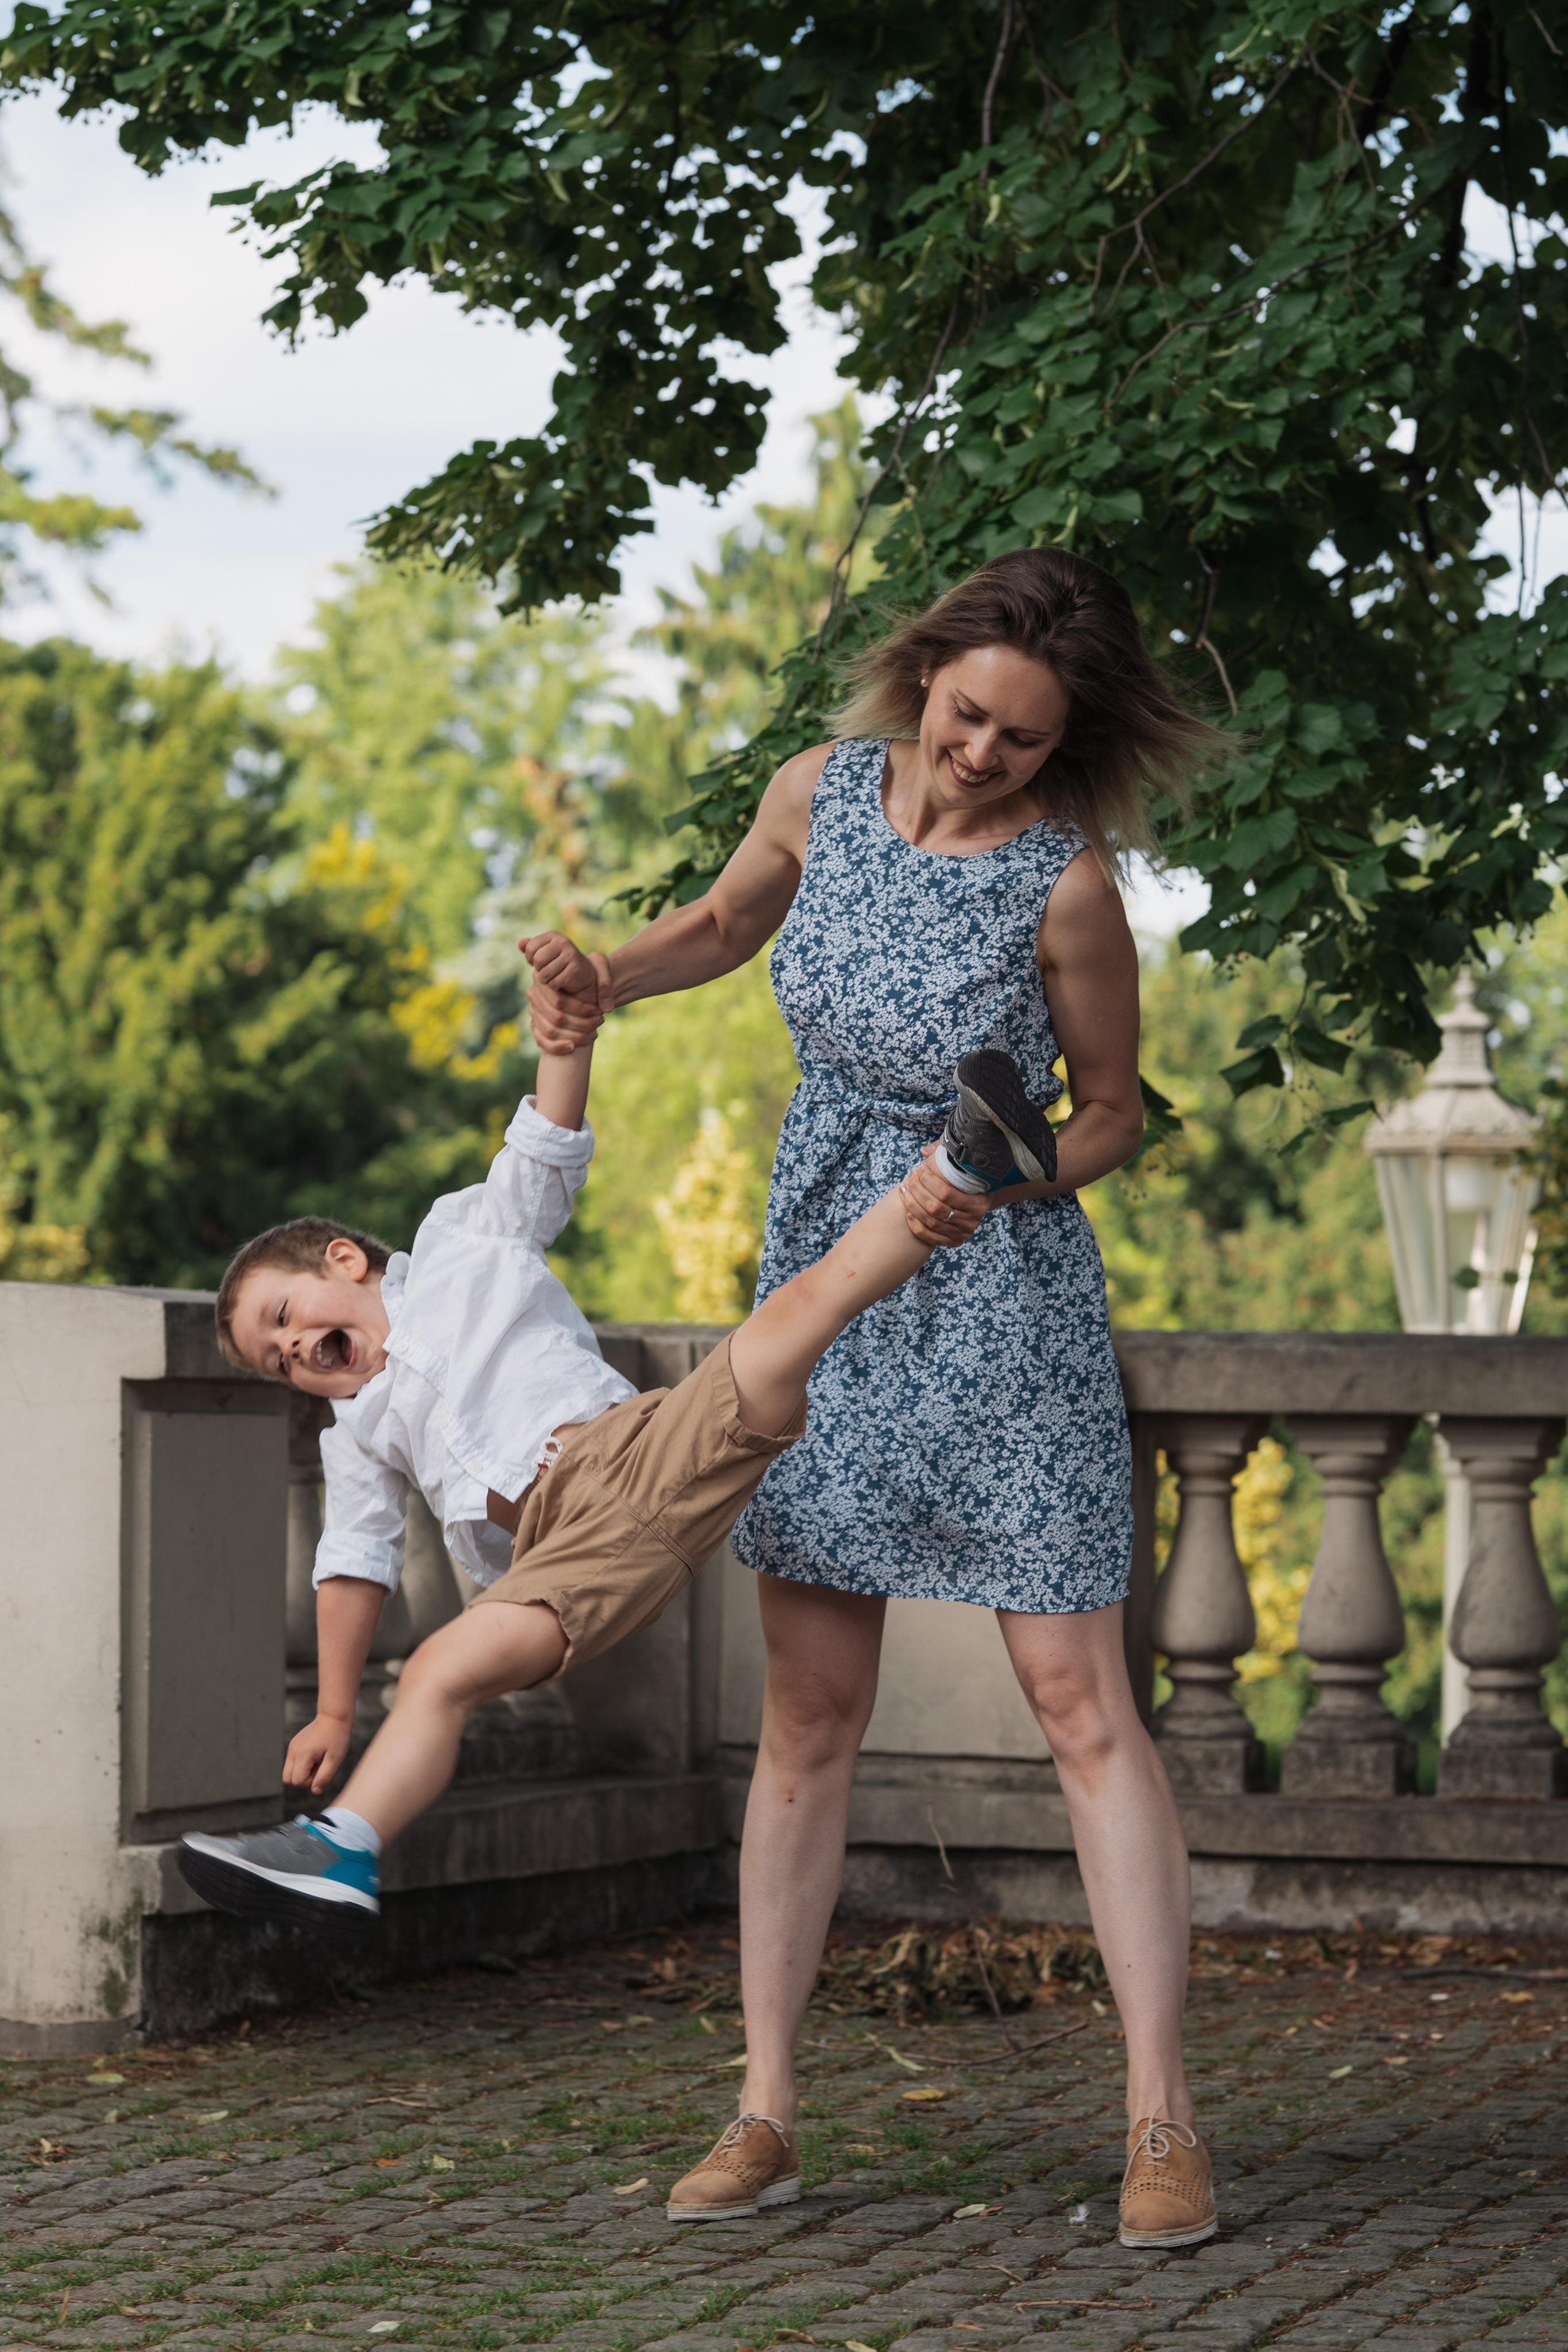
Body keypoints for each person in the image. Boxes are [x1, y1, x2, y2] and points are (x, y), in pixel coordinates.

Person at [527, 543, 1227, 2247]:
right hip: (824, 1282)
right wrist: (600, 977)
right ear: (926, 679)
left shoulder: (1063, 884)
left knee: (1080, 1703)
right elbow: (721, 920)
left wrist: (1011, 1179)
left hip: (996, 1290)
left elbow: (1120, 1111)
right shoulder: (819, 789)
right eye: (969, 714)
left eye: (1022, 739)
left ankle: (1163, 2123)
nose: (983, 753)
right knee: (810, 1716)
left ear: (1063, 752)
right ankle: (764, 2113)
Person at [176, 954, 1035, 2010]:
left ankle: (961, 1165)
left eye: (286, 1318)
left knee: (783, 1330)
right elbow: (353, 1558)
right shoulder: (357, 1429)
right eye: (277, 1360)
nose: (296, 1349)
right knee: (442, 1668)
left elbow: (542, 1152)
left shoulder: (463, 1244)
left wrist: (567, 1042)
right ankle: (342, 1845)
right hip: (559, 1552)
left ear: (345, 1263)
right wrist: (336, 1708)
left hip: (635, 1449)